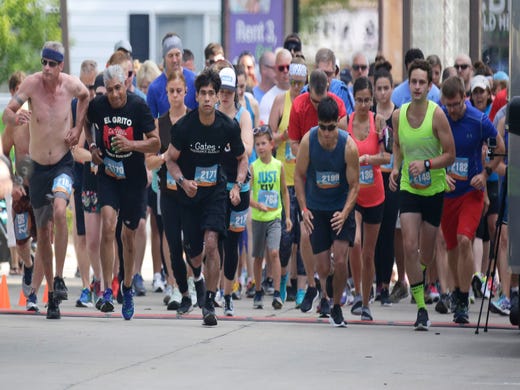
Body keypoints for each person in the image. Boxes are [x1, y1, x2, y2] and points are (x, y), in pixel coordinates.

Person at [2, 41, 89, 319]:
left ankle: (60, 278)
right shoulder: (31, 85)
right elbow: (6, 114)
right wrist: (15, 116)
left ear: (61, 65)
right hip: (36, 169)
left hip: (62, 163)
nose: (47, 68)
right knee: (41, 232)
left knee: (61, 212)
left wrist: (77, 127)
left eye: (52, 64)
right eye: (44, 63)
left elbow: (86, 96)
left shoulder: (71, 86)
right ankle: (51, 294)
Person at [165, 69, 248, 326]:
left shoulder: (228, 126)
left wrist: (237, 186)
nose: (208, 98)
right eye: (203, 93)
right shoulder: (184, 127)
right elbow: (169, 160)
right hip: (190, 194)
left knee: (212, 243)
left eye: (212, 93)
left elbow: (242, 158)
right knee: (195, 253)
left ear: (217, 96)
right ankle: (198, 280)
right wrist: (182, 181)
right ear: (197, 97)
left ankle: (210, 301)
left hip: (215, 192)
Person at [84, 64, 160, 320]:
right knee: (107, 225)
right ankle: (106, 289)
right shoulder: (98, 105)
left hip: (133, 179)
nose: (115, 94)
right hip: (108, 175)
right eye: (111, 90)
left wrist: (131, 144)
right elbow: (86, 121)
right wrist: (93, 145)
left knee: (128, 235)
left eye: (119, 88)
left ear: (126, 85)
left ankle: (126, 287)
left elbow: (156, 141)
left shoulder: (138, 106)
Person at [389, 59, 455, 330]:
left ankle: (425, 273)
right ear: (408, 83)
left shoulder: (437, 115)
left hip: (434, 189)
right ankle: (420, 308)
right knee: (408, 246)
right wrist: (395, 168)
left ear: (430, 86)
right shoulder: (398, 115)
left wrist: (427, 164)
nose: (417, 87)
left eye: (421, 83)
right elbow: (397, 145)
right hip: (408, 188)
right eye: (413, 82)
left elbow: (450, 155)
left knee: (425, 253)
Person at [440, 76, 504, 324]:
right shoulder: (440, 118)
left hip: (471, 193)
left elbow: (500, 147)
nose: (453, 110)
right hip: (448, 194)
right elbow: (432, 150)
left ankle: (463, 298)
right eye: (449, 105)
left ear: (464, 98)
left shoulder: (478, 120)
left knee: (464, 240)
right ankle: (457, 291)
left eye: (456, 104)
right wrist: (440, 173)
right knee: (452, 247)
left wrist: (485, 173)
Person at [294, 96, 360, 327]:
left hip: (340, 208)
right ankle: (326, 287)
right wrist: (304, 208)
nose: (327, 133)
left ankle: (337, 306)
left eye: (332, 128)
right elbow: (298, 176)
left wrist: (345, 213)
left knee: (341, 259)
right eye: (323, 127)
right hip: (317, 208)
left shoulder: (348, 145)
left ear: (337, 125)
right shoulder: (307, 141)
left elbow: (354, 186)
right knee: (323, 267)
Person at [288, 70, 348, 315]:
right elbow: (293, 142)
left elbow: (345, 140)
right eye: (315, 101)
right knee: (305, 234)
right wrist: (307, 152)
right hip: (310, 176)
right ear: (307, 90)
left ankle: (327, 292)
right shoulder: (299, 105)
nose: (318, 105)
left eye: (322, 100)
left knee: (333, 246)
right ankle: (313, 287)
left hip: (334, 180)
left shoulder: (338, 105)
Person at [347, 77, 389, 321]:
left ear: (372, 100)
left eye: (367, 100)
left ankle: (365, 302)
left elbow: (386, 158)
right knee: (355, 241)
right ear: (354, 99)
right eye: (359, 100)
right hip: (354, 194)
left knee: (369, 253)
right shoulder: (346, 123)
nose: (363, 104)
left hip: (375, 195)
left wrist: (366, 160)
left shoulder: (380, 122)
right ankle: (355, 292)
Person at [151, 70, 192, 313]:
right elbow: (149, 161)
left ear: (186, 92)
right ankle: (175, 284)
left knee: (191, 240)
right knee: (170, 238)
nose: (175, 95)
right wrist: (164, 157)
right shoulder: (160, 123)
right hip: (166, 188)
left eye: (179, 91)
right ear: (166, 94)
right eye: (171, 91)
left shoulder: (194, 119)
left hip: (191, 188)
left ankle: (190, 282)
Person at [268, 58, 308, 305]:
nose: (295, 87)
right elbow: (267, 136)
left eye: (299, 84)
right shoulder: (280, 101)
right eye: (292, 83)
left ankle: (302, 286)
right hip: (284, 179)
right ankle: (283, 280)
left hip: (303, 178)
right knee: (284, 237)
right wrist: (283, 135)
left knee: (304, 236)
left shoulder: (306, 102)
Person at [216, 66, 253, 316]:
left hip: (240, 186)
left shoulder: (243, 116)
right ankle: (215, 291)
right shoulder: (210, 114)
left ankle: (228, 294)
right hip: (216, 186)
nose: (226, 95)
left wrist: (238, 184)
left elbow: (247, 149)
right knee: (214, 240)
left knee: (232, 242)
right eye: (222, 90)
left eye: (230, 91)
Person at [2, 71, 36, 308]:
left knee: (45, 238)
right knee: (22, 240)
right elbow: (4, 154)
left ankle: (35, 293)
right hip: (22, 188)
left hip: (43, 186)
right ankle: (29, 268)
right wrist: (12, 182)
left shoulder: (43, 115)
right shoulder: (14, 123)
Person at [249, 125, 292, 309]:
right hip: (259, 218)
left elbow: (284, 192)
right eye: (257, 144)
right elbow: (247, 194)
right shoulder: (253, 167)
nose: (260, 147)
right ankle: (258, 291)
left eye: (264, 143)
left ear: (272, 144)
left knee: (274, 253)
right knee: (258, 257)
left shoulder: (278, 166)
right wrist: (257, 205)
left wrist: (287, 216)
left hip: (275, 217)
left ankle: (277, 293)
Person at [372, 63, 402, 307]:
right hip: (372, 176)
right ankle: (373, 282)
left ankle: (384, 283)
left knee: (388, 231)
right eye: (378, 88)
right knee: (373, 231)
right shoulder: (369, 113)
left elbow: (399, 147)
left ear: (392, 88)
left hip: (392, 176)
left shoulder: (398, 114)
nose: (382, 92)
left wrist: (397, 171)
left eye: (386, 88)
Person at [147, 32, 197, 117]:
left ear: (182, 55)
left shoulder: (194, 81)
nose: (174, 60)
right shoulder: (155, 88)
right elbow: (151, 123)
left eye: (177, 55)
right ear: (164, 57)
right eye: (170, 55)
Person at [302, 48, 355, 114]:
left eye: (328, 74)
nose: (325, 78)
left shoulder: (342, 91)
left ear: (335, 72)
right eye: (322, 73)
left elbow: (349, 120)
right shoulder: (305, 92)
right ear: (315, 69)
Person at [259, 49, 292, 124]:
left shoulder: (302, 93)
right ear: (275, 70)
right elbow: (266, 133)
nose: (285, 71)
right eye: (281, 68)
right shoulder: (266, 99)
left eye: (288, 67)